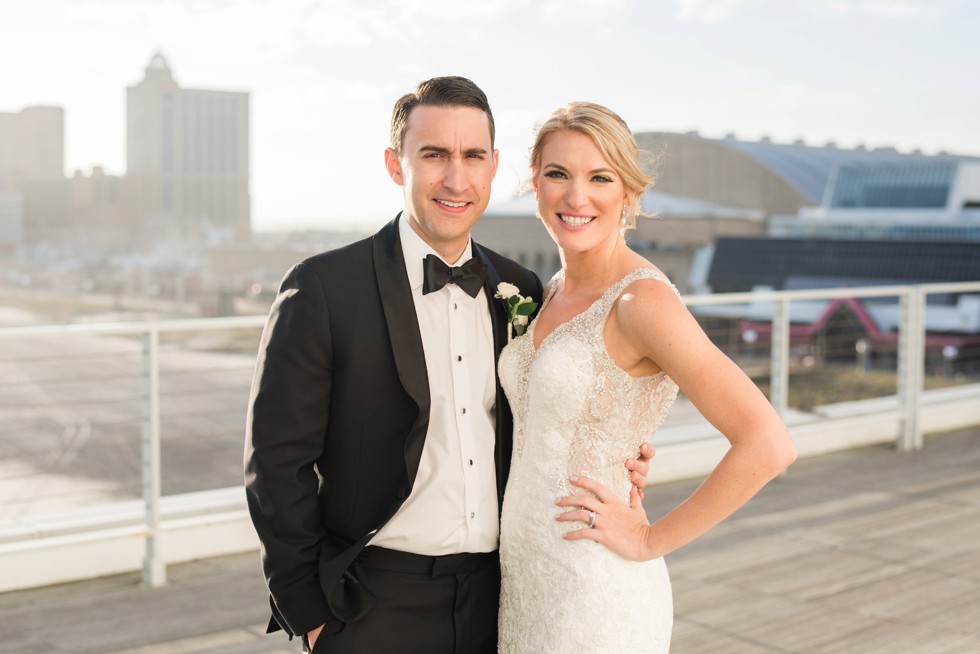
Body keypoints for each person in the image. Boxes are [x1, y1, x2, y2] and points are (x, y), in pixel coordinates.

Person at [244, 78, 653, 653]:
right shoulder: (324, 288)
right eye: (434, 155)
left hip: (504, 593)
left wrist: (617, 450)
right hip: (373, 602)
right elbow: (276, 461)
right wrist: (308, 613)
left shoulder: (525, 287)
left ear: (493, 168)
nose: (456, 179)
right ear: (396, 164)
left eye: (472, 157)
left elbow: (552, 411)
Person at [496, 102, 798, 652]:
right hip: (524, 582)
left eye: (600, 178)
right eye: (557, 174)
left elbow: (768, 444)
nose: (576, 196)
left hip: (593, 590)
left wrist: (649, 539)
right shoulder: (551, 293)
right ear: (534, 185)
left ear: (629, 195)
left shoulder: (642, 302)